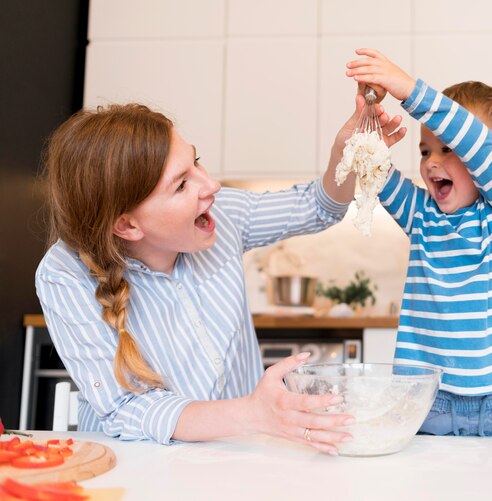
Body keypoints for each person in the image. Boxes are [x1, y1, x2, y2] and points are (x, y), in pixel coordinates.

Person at [35, 95, 406, 455]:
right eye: (181, 185)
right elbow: (122, 410)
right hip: (134, 466)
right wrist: (253, 414)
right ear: (127, 225)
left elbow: (317, 207)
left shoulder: (224, 213)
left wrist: (344, 155)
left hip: (239, 456)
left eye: (196, 162)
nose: (210, 186)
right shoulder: (64, 274)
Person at [345, 48, 492, 437]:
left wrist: (408, 90)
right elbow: (370, 164)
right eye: (425, 151)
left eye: (447, 149)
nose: (430, 162)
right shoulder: (422, 215)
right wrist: (369, 114)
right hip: (428, 402)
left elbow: (479, 144)